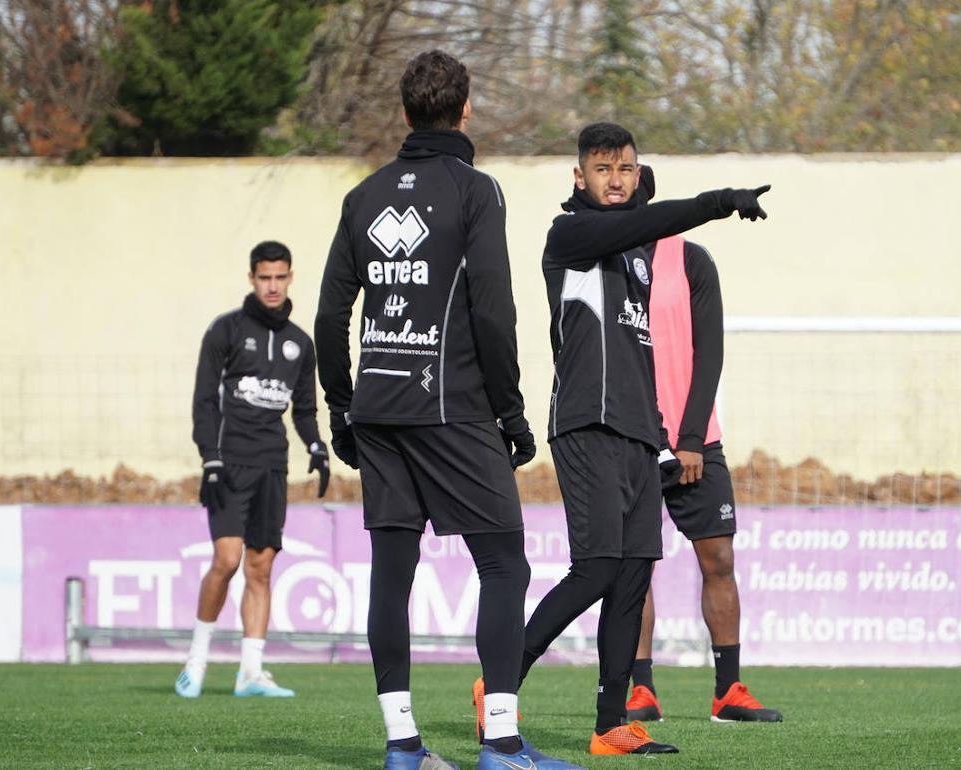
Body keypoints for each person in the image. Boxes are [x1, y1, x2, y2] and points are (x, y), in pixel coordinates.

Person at [314, 50, 580, 770]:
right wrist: (512, 412)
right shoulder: (475, 191)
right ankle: (499, 743)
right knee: (504, 565)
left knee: (391, 572)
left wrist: (342, 406)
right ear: (466, 110)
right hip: (451, 407)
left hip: (378, 408)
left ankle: (404, 747)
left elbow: (331, 310)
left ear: (404, 113)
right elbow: (494, 309)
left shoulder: (363, 196)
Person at [509, 121, 769, 756]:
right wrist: (716, 202)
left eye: (625, 168)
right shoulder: (569, 233)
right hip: (585, 423)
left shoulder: (636, 262)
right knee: (596, 568)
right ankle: (501, 676)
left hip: (636, 433)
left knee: (631, 577)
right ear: (580, 177)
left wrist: (663, 433)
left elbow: (642, 351)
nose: (615, 179)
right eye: (602, 169)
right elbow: (632, 228)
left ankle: (609, 727)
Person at [624, 173, 782, 725]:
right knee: (633, 568)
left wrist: (690, 438)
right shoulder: (601, 257)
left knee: (718, 560)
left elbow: (708, 352)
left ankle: (728, 690)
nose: (624, 190)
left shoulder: (690, 259)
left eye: (632, 179)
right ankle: (639, 690)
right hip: (630, 442)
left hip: (695, 441)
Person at [178, 240, 330, 699]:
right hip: (228, 463)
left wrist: (317, 446)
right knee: (225, 562)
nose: (272, 286)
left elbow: (304, 409)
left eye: (280, 277)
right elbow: (204, 399)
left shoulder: (300, 343)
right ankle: (197, 661)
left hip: (271, 465)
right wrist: (209, 458)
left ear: (289, 278)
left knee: (260, 568)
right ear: (251, 278)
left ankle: (250, 672)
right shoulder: (226, 331)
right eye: (264, 277)